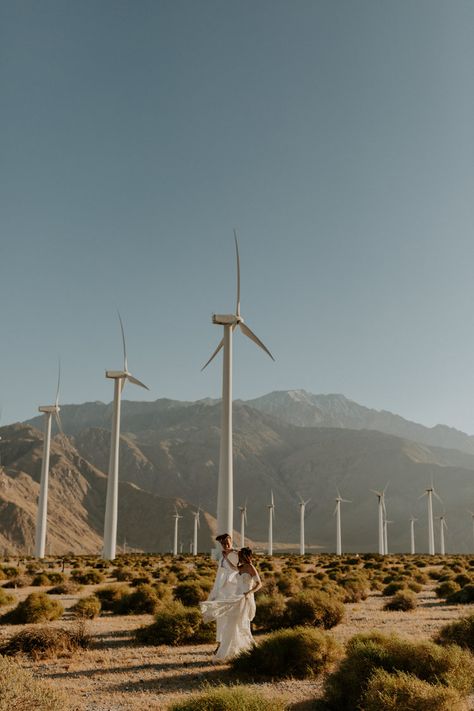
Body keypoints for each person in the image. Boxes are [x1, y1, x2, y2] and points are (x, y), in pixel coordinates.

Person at [201, 546, 262, 660]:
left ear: (247, 556)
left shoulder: (250, 567)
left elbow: (259, 584)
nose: (241, 558)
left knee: (240, 623)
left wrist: (249, 592)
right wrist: (227, 556)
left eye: (242, 556)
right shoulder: (241, 567)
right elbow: (232, 566)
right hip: (236, 597)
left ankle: (247, 650)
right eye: (240, 556)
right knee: (232, 623)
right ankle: (229, 652)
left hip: (245, 598)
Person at [206, 533, 239, 653]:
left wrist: (229, 556)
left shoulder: (235, 555)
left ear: (231, 541)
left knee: (231, 619)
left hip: (232, 591)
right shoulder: (222, 557)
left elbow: (238, 569)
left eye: (227, 543)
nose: (225, 545)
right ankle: (220, 644)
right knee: (220, 619)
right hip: (222, 591)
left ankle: (230, 645)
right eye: (223, 544)